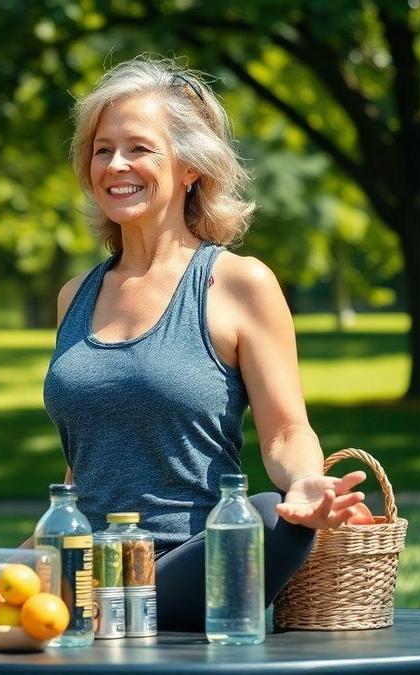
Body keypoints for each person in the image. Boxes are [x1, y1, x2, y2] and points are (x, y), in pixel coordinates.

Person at [40, 57, 367, 631]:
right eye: (101, 149)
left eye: (140, 148)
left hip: (197, 560)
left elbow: (288, 432)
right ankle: (99, 605)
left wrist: (306, 484)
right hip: (86, 564)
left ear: (191, 165)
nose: (116, 164)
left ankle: (107, 610)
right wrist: (39, 544)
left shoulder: (238, 283)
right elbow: (84, 460)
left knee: (269, 520)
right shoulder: (75, 295)